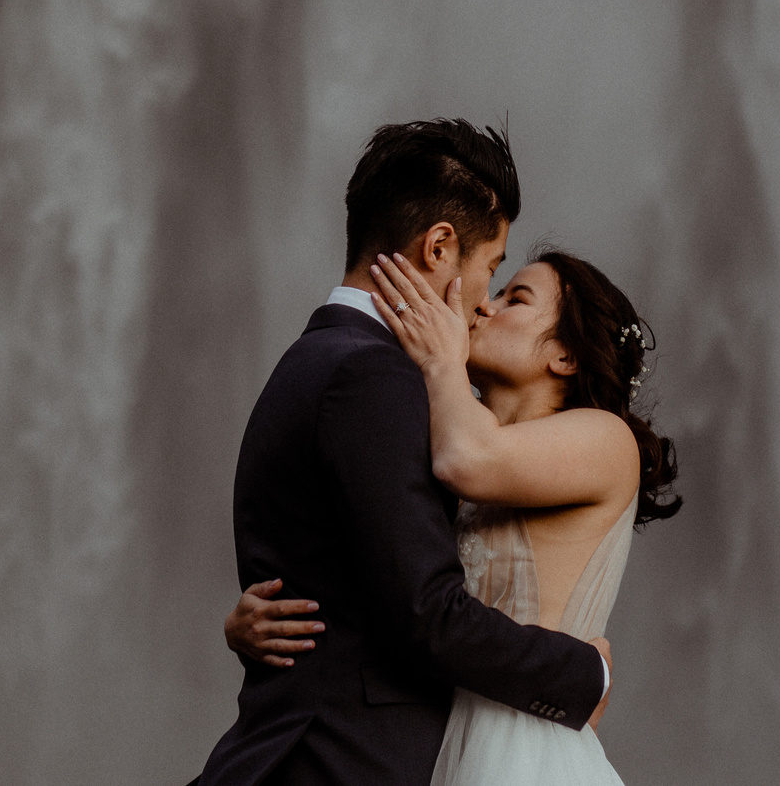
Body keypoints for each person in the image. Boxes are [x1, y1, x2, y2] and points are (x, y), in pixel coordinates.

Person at [219, 167, 682, 786]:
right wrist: (248, 623)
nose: (484, 303)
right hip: (435, 744)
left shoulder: (605, 438)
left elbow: (467, 462)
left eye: (516, 297)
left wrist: (441, 360)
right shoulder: (443, 421)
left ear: (564, 355)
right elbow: (392, 568)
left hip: (522, 752)